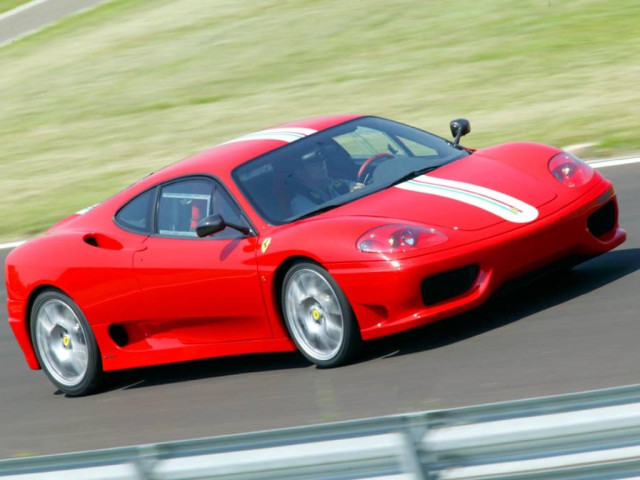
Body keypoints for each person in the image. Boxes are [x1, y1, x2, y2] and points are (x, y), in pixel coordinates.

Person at [289, 149, 363, 216]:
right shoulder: (300, 202)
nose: (321, 166)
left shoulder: (340, 184)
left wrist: (358, 190)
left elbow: (361, 189)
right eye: (314, 165)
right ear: (301, 174)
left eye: (322, 162)